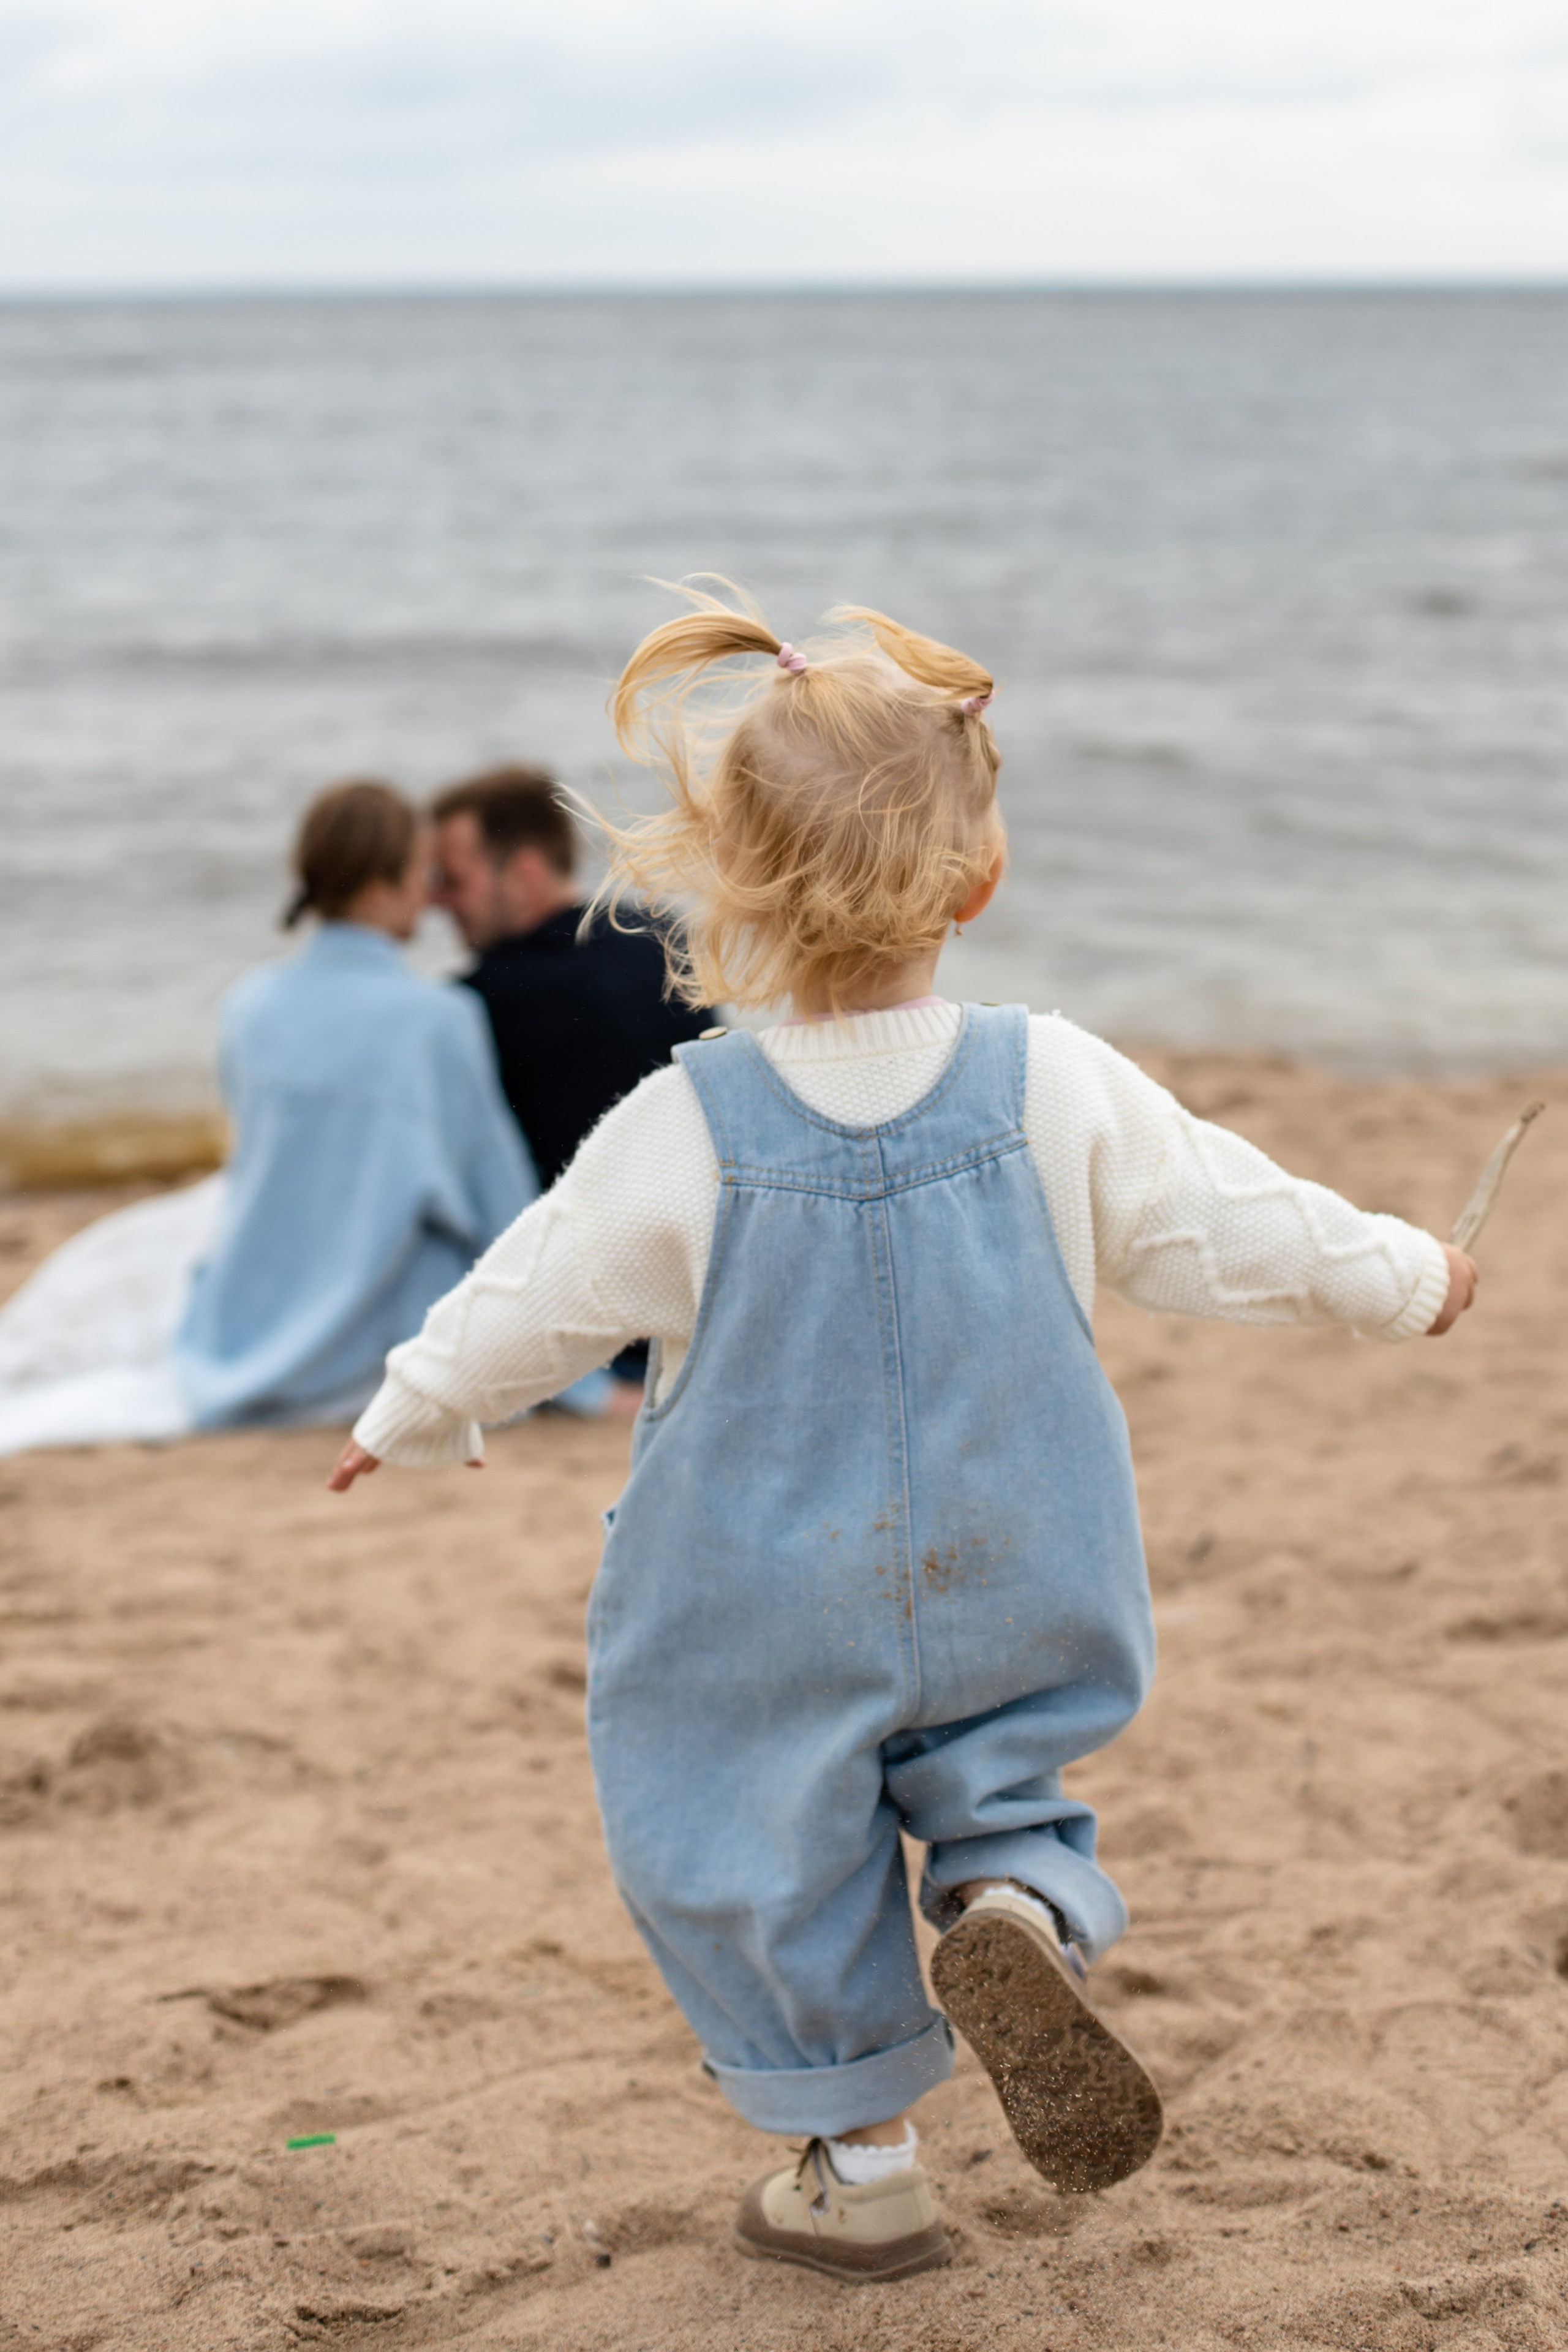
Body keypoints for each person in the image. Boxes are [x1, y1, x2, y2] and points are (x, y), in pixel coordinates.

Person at [328, 594, 1477, 2284]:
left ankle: (859, 2163)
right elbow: (1239, 1221)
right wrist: (1408, 1275)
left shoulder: (685, 1123)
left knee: (754, 1834)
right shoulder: (1052, 1080)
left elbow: (540, 1291)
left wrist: (414, 1405)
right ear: (980, 875)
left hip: (759, 1588)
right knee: (1005, 1778)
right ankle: (1014, 1909)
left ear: (729, 884)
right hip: (1022, 1551)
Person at [174, 779, 535, 1428]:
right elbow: (497, 1198)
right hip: (373, 1329)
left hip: (242, 1321)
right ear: (377, 889)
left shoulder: (246, 1006)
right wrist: (579, 1380)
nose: (429, 898)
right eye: (419, 875)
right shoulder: (440, 1018)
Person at [428, 764, 715, 1411]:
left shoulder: (477, 1006)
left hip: (581, 1328)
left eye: (453, 880)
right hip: (694, 1303)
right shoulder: (664, 939)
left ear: (523, 873)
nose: (437, 902)